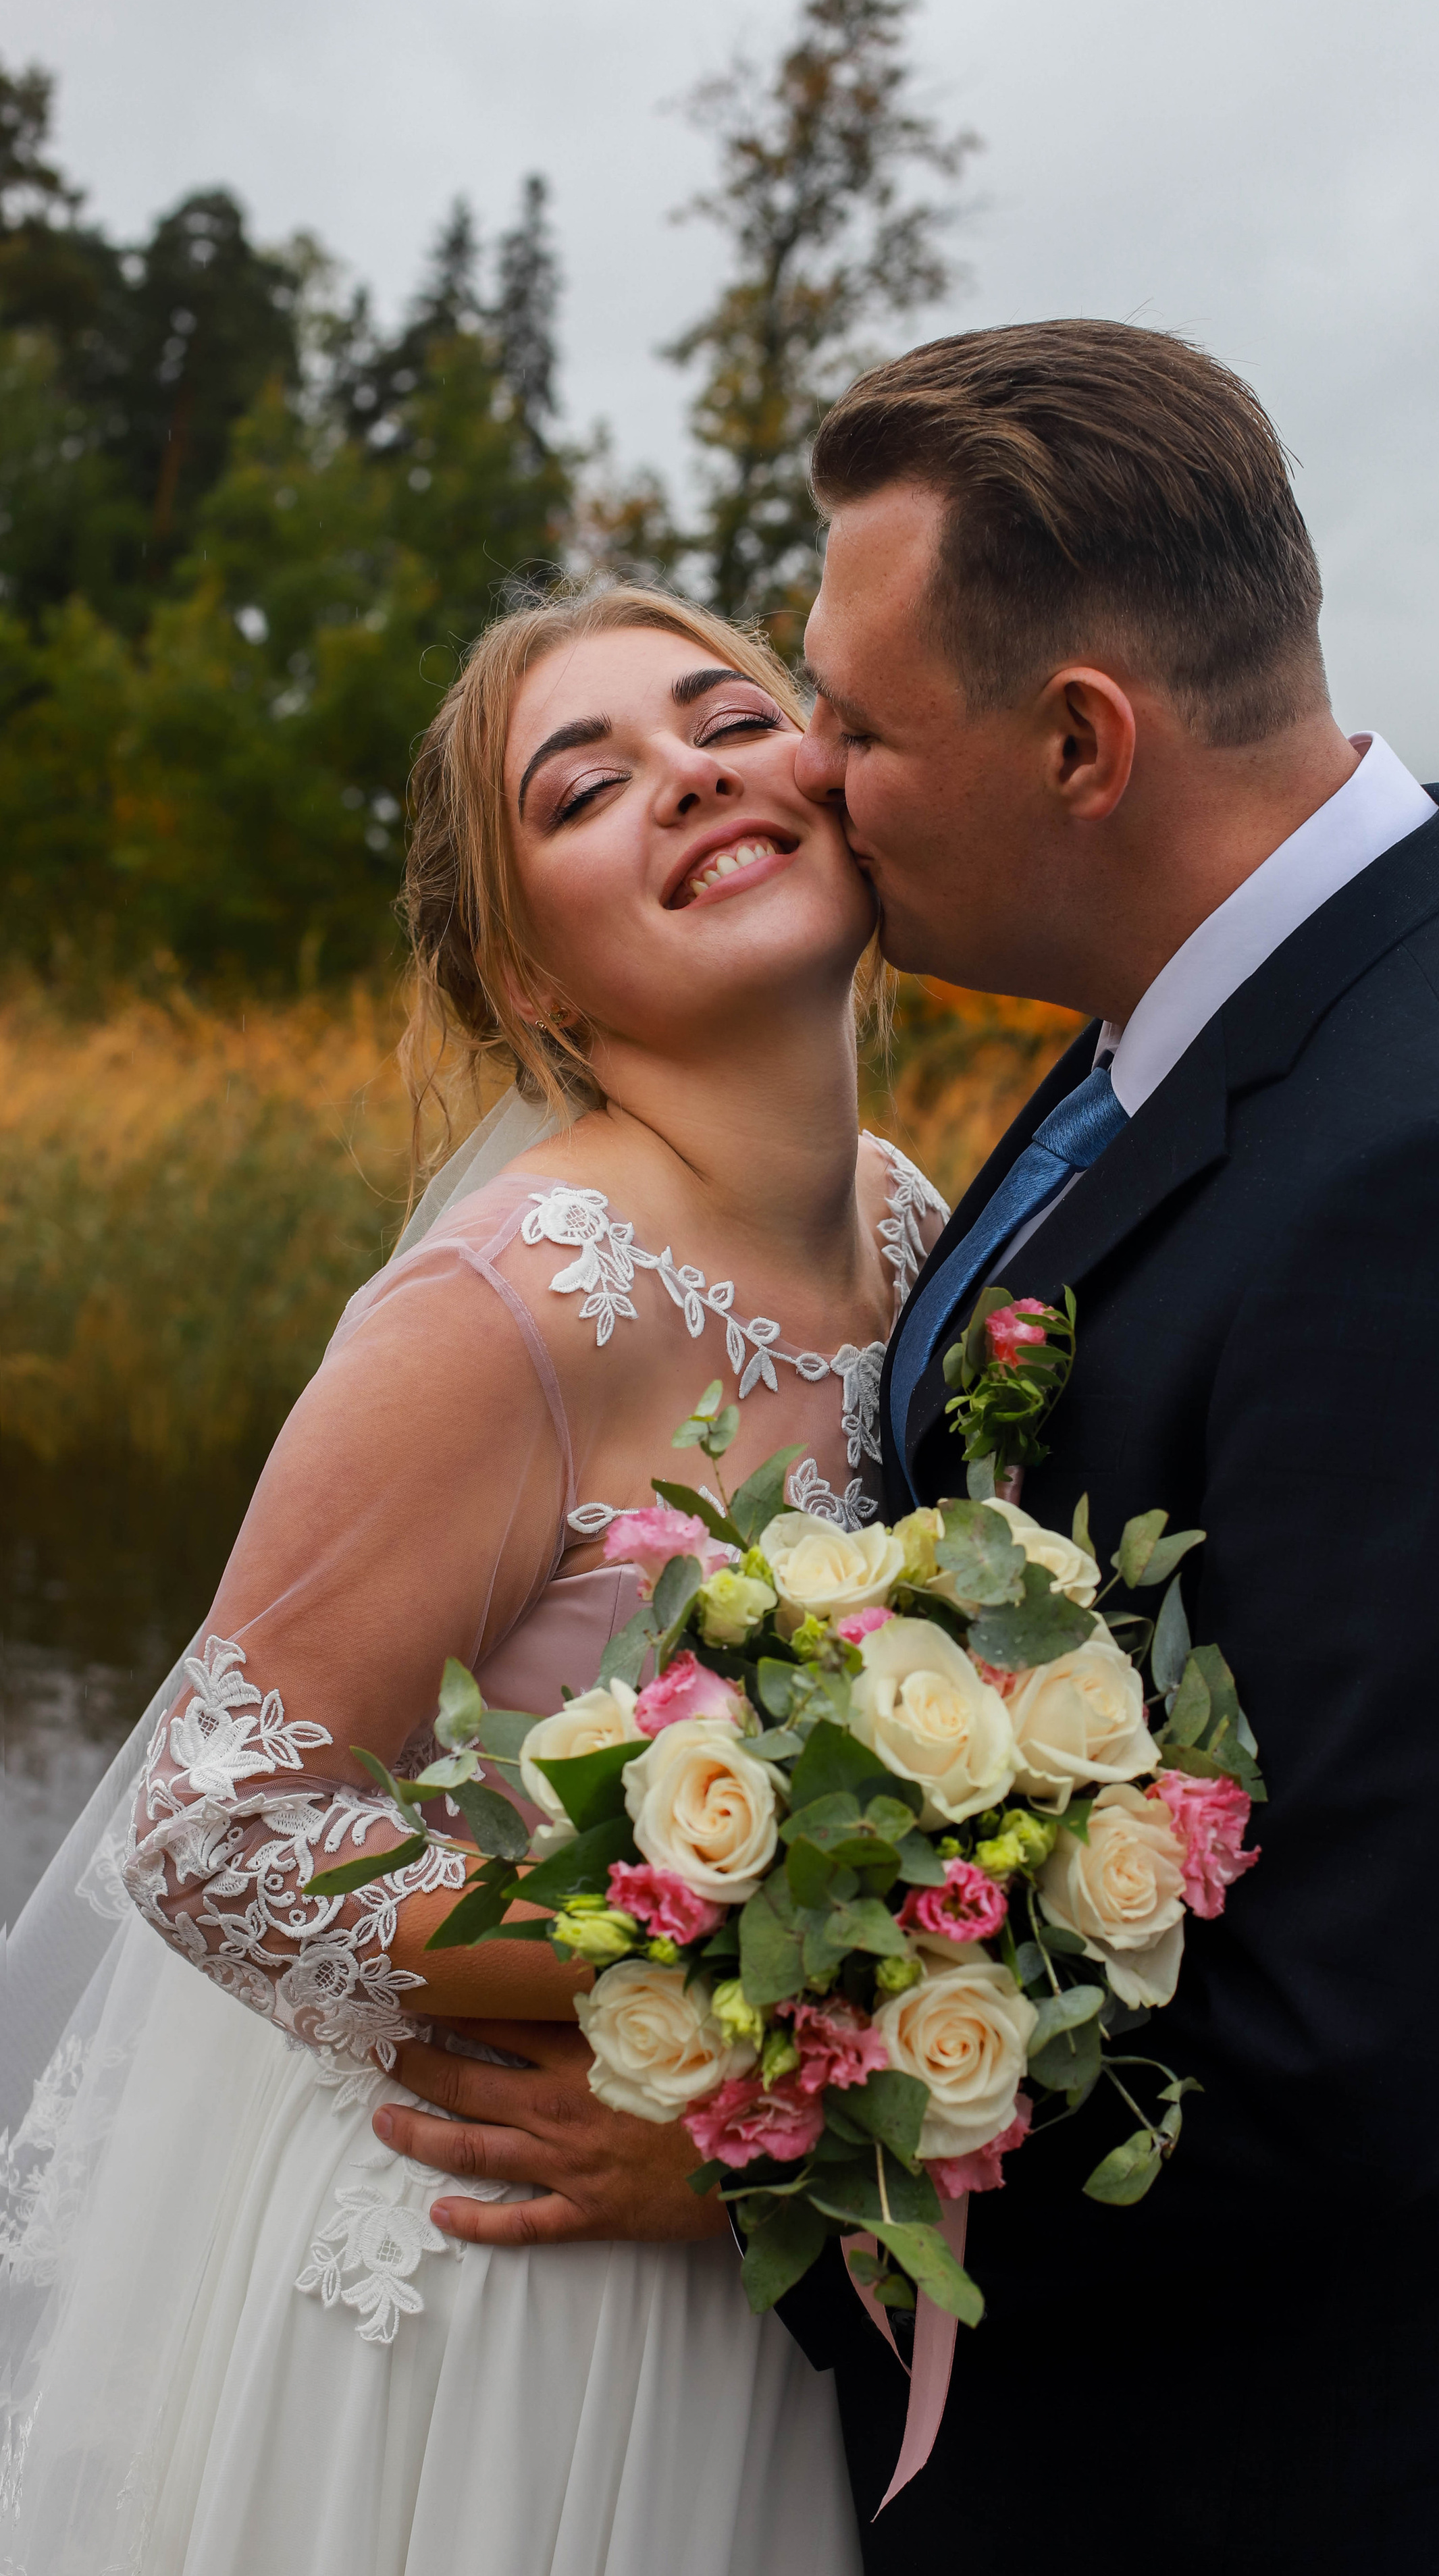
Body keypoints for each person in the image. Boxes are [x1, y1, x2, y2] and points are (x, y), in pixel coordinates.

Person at [372, 322, 1439, 2574]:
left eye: (860, 722)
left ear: (1082, 742)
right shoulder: (1196, 1022)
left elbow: (1355, 2066)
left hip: (1352, 2485)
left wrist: (755, 2160)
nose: (812, 771)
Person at [0, 581, 946, 2576]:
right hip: (516, 2289)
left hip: (766, 2249)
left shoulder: (912, 1224)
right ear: (530, 980)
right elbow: (213, 1832)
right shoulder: (518, 1298)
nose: (688, 774)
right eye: (585, 787)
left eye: (730, 719)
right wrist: (747, 1964)